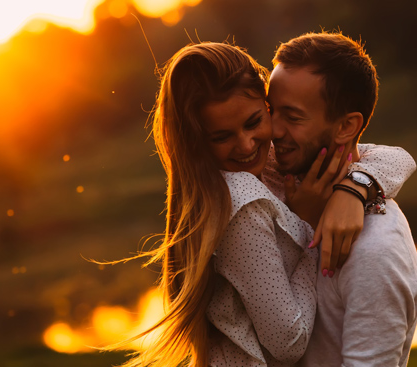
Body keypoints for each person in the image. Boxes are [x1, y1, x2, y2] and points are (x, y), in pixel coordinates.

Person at [109, 42, 413, 367]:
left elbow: (397, 156)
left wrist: (355, 188)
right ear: (199, 140)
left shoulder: (268, 160)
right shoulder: (239, 199)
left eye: (257, 120)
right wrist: (310, 226)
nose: (246, 143)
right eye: (221, 136)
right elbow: (289, 343)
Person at [267, 32, 417, 366]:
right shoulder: (275, 175)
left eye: (292, 117)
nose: (272, 131)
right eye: (270, 110)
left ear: (346, 126)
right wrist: (355, 184)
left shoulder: (375, 250)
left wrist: (355, 186)